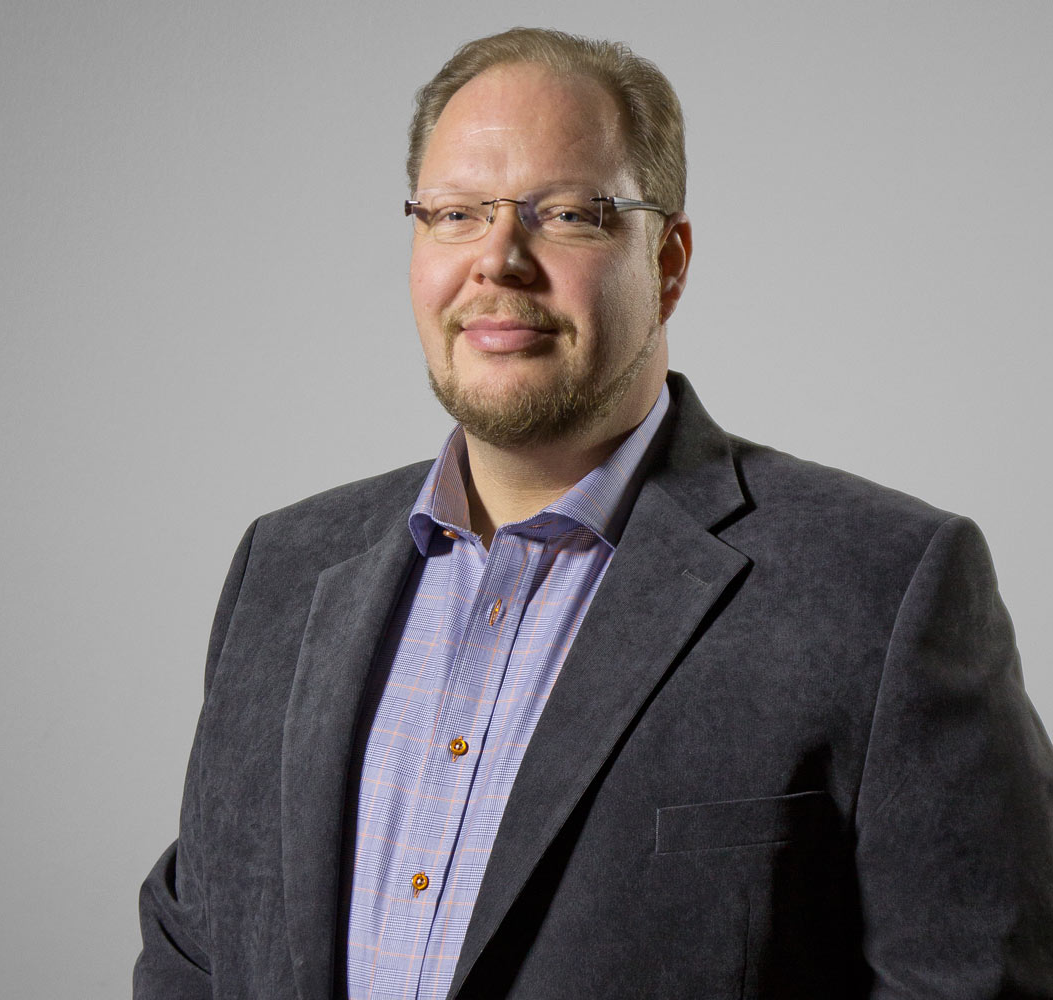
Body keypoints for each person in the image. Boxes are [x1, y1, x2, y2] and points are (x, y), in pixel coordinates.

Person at [135, 27, 1053, 1000]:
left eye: (569, 214)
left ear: (668, 262)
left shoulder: (883, 585)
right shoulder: (281, 569)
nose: (498, 260)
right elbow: (194, 952)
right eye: (455, 214)